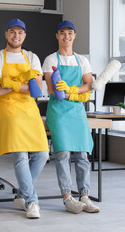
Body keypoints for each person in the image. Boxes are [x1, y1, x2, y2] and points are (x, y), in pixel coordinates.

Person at [0, 18, 49, 219]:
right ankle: (32, 202)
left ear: (24, 35)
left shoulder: (32, 57)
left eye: (20, 32)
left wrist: (11, 84)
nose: (16, 36)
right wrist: (24, 82)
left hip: (30, 111)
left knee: (42, 155)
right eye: (12, 32)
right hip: (9, 111)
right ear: (6, 34)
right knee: (21, 156)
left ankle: (21, 194)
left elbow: (36, 90)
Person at [42, 20, 99, 214]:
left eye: (70, 33)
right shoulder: (50, 60)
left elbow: (89, 84)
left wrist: (72, 90)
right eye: (62, 33)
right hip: (58, 111)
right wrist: (68, 93)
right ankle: (67, 197)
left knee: (82, 155)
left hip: (77, 111)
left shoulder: (82, 60)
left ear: (74, 36)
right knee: (63, 154)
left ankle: (85, 196)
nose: (66, 36)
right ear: (57, 35)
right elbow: (51, 88)